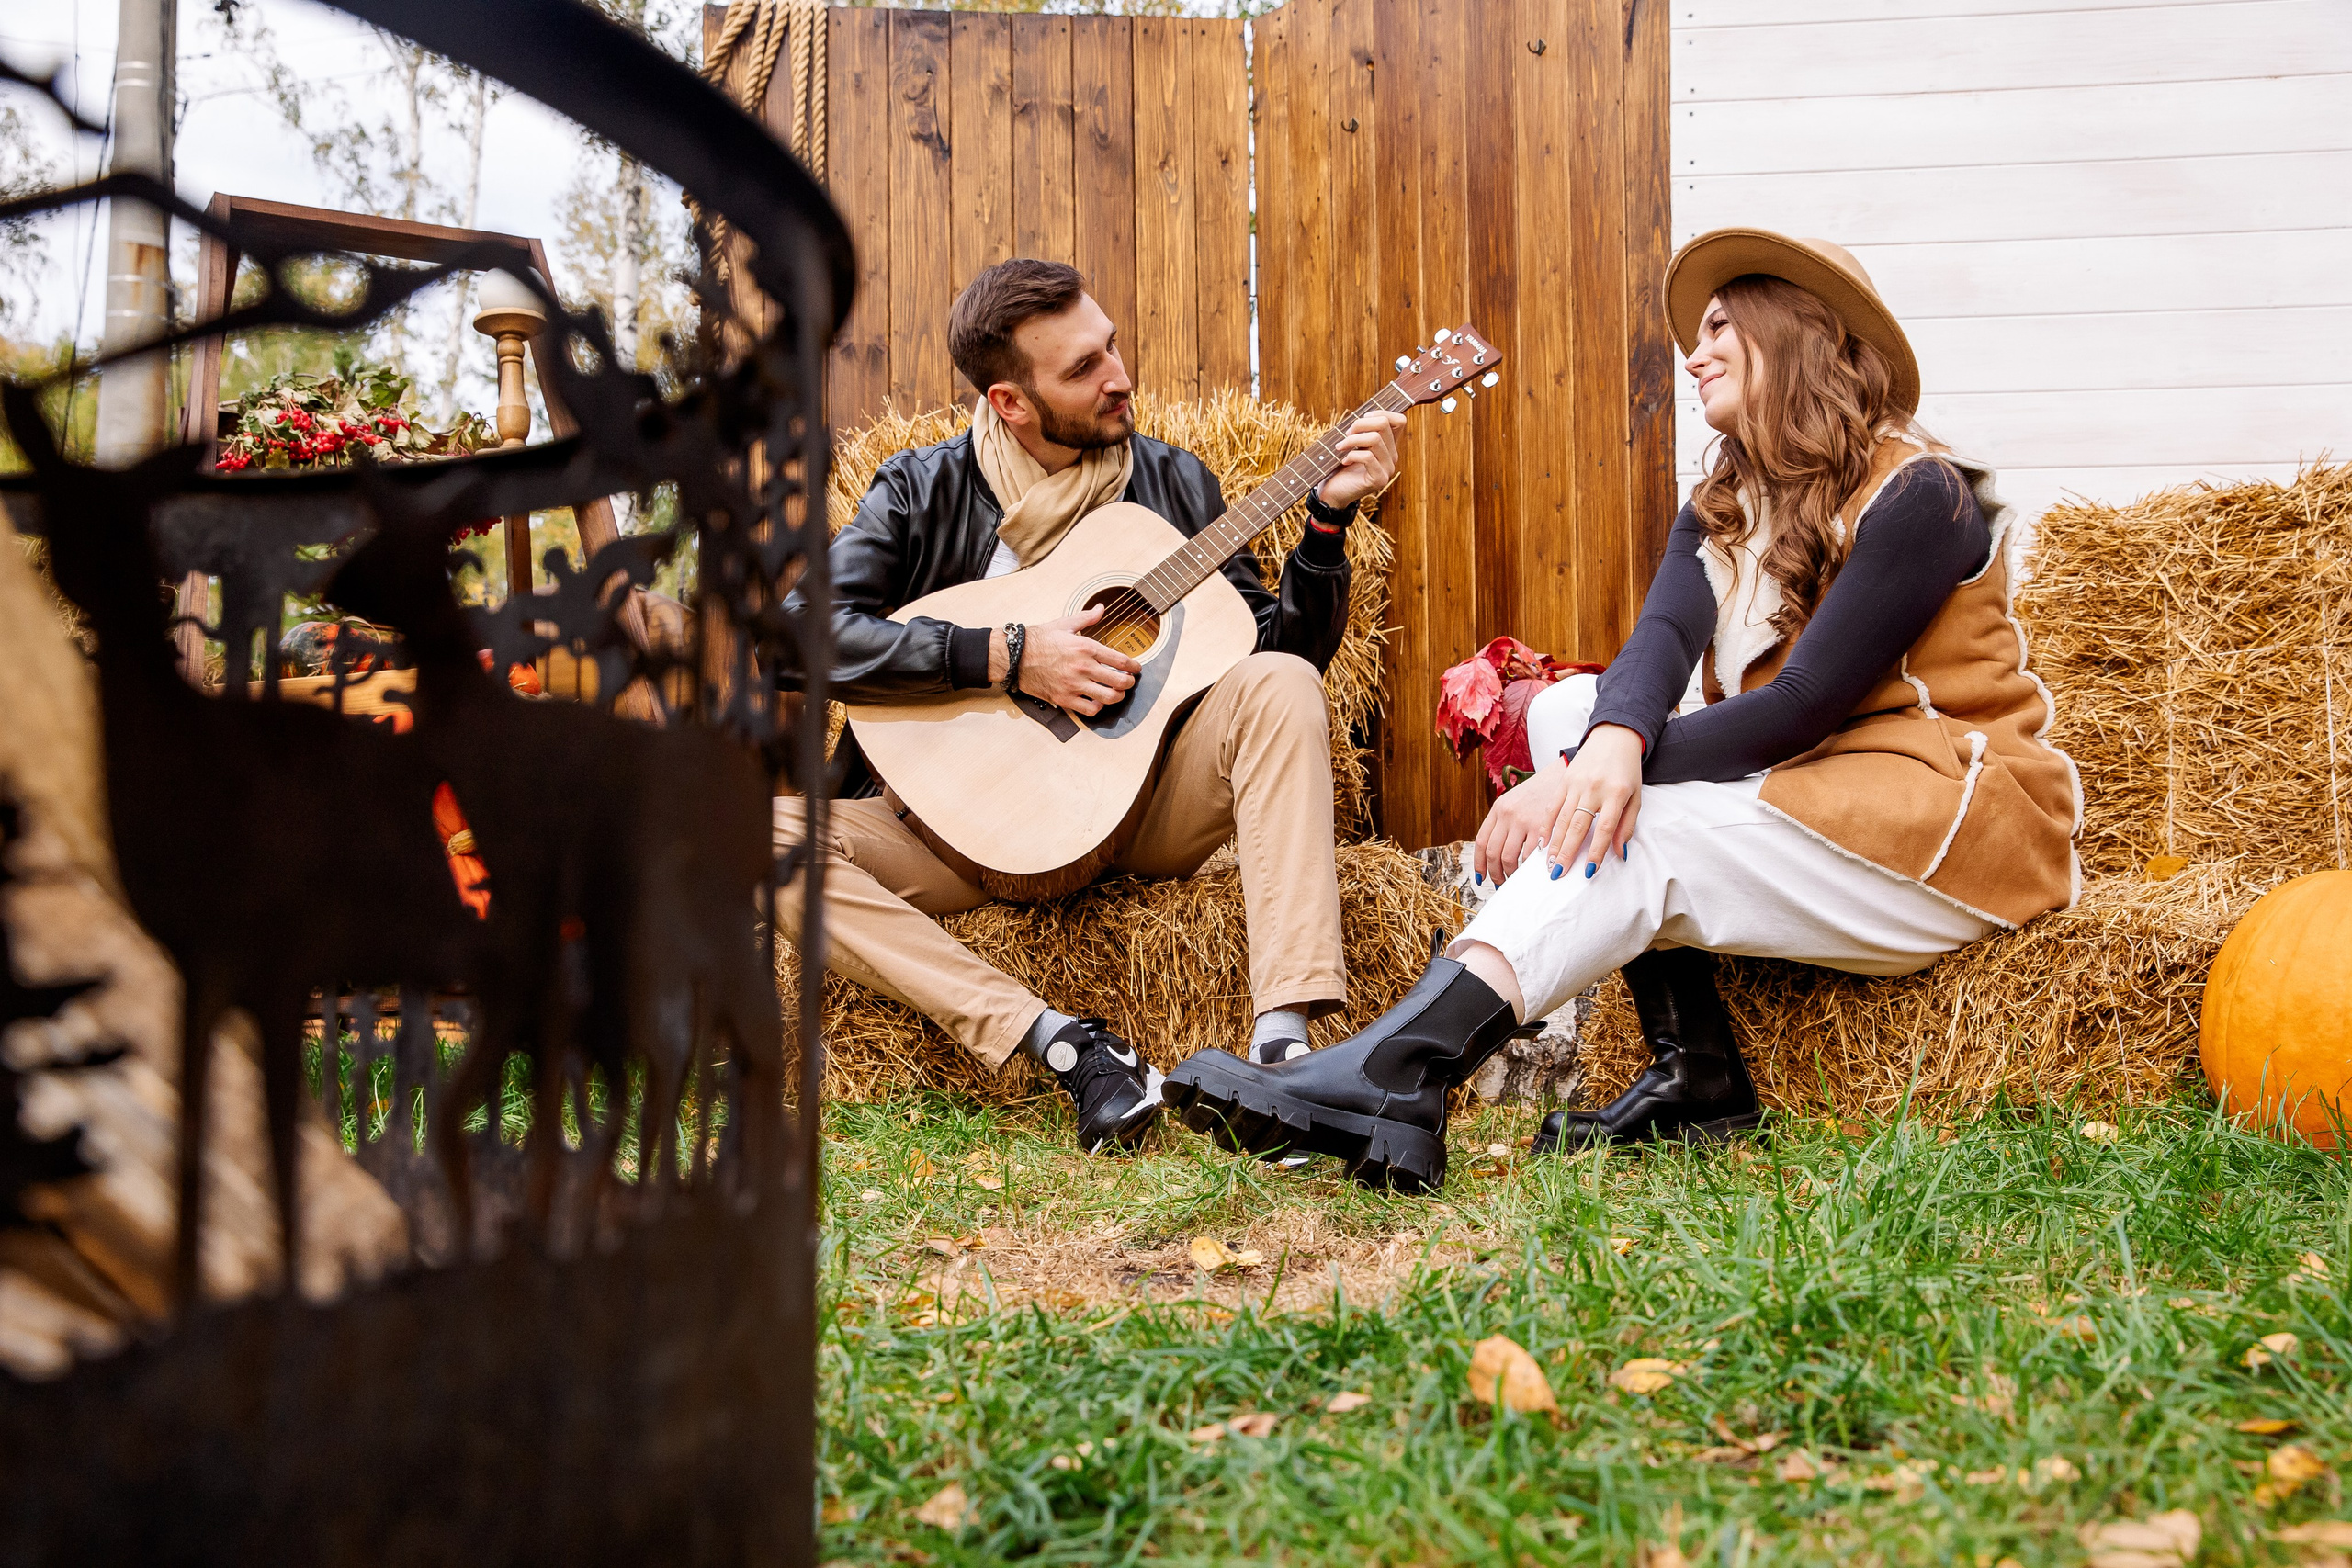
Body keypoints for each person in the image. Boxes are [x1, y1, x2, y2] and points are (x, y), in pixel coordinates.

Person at [1164, 228, 2081, 1192]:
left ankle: (1401, 1072)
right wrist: (1592, 746)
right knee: (1575, 713)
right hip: (1823, 802)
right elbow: (1652, 650)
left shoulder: (1921, 494)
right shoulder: (1726, 500)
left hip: (1946, 826)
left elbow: (1802, 707)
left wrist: (1576, 782)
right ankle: (1697, 1073)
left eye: (1725, 325)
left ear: (1804, 332)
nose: (1695, 351)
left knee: (1622, 820)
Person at [773, 258, 1404, 1154]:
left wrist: (1329, 524)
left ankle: (1287, 1057)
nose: (1119, 377)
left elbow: (1279, 653)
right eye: (1081, 369)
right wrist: (1005, 655)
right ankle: (1065, 1047)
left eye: (1109, 345)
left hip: (1138, 805)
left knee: (1282, 684)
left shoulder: (1176, 483)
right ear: (1009, 403)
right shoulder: (919, 490)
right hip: (950, 830)